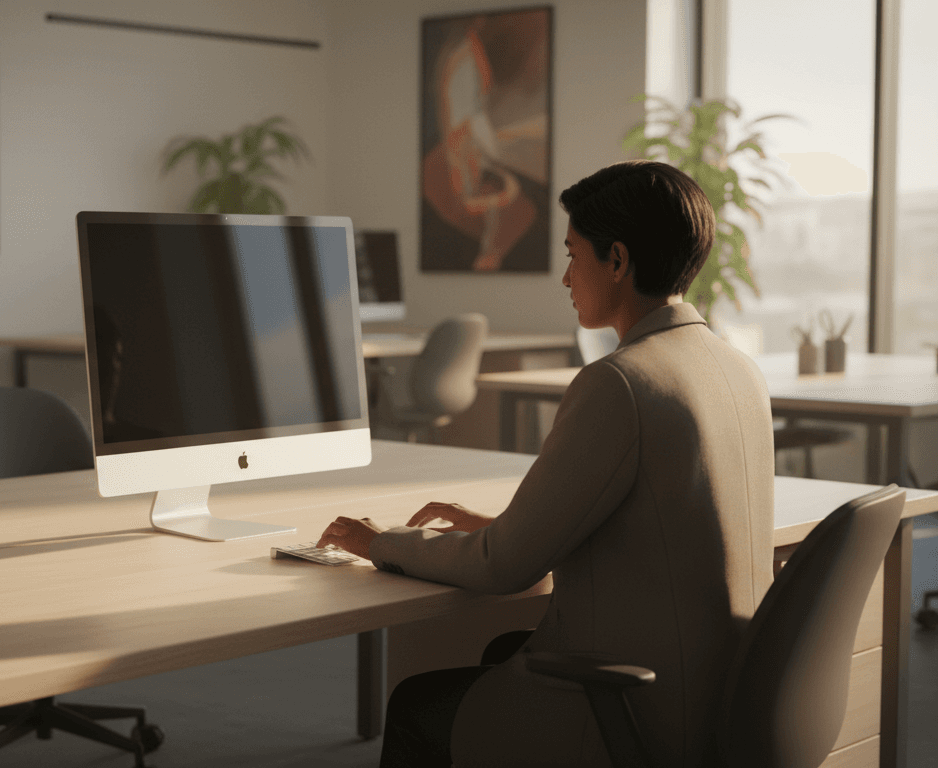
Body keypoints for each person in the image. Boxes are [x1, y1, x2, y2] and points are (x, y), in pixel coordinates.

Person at [318, 160, 776, 767]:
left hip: (644, 707)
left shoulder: (619, 382)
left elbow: (504, 568)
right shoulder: (736, 367)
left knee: (415, 702)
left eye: (572, 255)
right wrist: (492, 524)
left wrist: (383, 543)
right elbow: (628, 525)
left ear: (616, 260)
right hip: (718, 692)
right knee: (504, 649)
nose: (565, 277)